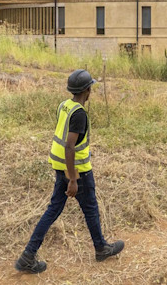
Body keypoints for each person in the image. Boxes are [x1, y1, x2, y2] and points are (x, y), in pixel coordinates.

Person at [15, 69, 124, 274]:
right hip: (77, 172)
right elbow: (69, 146)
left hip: (60, 167)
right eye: (90, 87)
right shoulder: (80, 114)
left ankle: (28, 255)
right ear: (87, 90)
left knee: (52, 210)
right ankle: (101, 248)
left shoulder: (64, 106)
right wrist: (72, 179)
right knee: (90, 208)